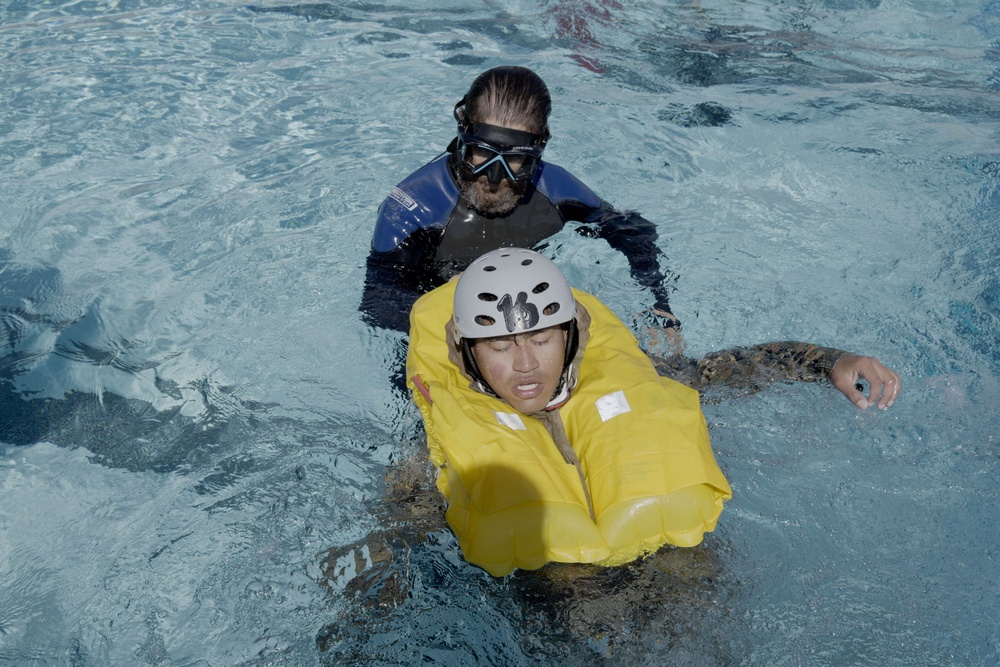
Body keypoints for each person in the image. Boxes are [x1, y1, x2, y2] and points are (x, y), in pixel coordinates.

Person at [403, 248, 900, 576]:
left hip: (683, 581)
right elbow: (395, 540)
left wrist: (831, 361)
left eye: (541, 338)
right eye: (501, 347)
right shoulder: (434, 461)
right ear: (467, 352)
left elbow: (740, 366)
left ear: (569, 335)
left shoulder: (637, 377)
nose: (527, 364)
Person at [361, 65, 678, 334]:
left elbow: (633, 231)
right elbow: (380, 303)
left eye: (514, 160)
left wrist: (659, 304)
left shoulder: (553, 188)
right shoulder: (414, 209)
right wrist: (453, 306)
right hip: (447, 325)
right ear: (462, 132)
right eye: (481, 153)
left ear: (539, 148)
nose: (494, 178)